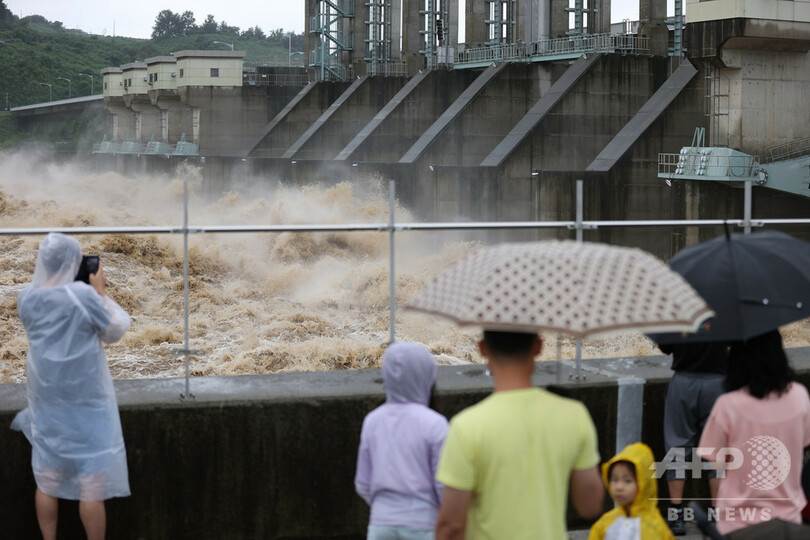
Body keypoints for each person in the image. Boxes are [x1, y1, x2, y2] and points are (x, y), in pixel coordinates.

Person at [11, 233, 131, 540]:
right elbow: (114, 330)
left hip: (47, 399)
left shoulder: (26, 298)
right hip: (86, 402)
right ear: (72, 262)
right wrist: (100, 292)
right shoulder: (82, 295)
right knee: (91, 486)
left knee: (47, 479)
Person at [434, 330, 604, 540]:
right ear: (539, 347)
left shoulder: (466, 426)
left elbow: (451, 525)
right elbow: (590, 505)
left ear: (482, 348)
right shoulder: (574, 415)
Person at [697, 330, 810, 538]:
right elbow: (803, 444)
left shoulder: (728, 405)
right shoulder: (800, 396)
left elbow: (716, 464)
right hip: (789, 523)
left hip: (739, 525)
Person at [355, 341, 449, 539]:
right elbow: (443, 485)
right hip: (423, 525)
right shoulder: (435, 424)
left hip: (380, 526)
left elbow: (363, 483)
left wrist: (386, 509)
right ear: (427, 376)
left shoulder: (373, 421)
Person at [658, 342, 728, 535]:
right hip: (717, 383)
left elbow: (665, 346)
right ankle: (716, 517)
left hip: (683, 382)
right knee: (717, 451)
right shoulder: (726, 313)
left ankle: (677, 517)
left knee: (677, 447)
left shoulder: (680, 312)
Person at [588, 442, 675, 540]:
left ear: (644, 483)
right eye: (615, 480)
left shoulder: (656, 527)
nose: (619, 487)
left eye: (627, 481)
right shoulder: (604, 524)